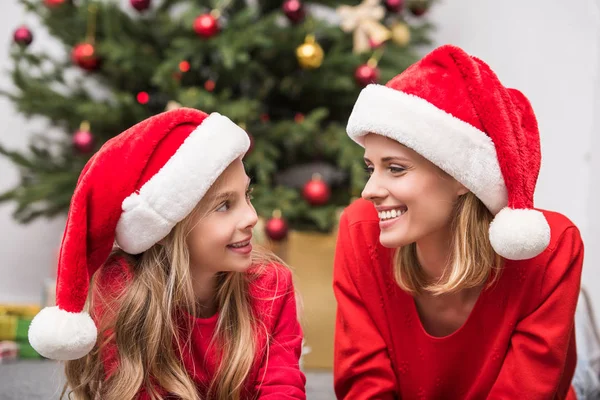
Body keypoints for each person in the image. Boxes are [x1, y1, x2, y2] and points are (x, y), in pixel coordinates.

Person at [333, 44, 583, 399]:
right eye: (370, 168)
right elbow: (364, 383)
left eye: (396, 168)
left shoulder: (551, 247)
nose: (369, 191)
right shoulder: (360, 230)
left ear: (461, 176)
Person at [27, 108, 306, 400]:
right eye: (224, 205)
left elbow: (282, 387)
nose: (252, 216)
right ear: (165, 230)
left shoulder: (271, 285)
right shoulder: (123, 291)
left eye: (247, 196)